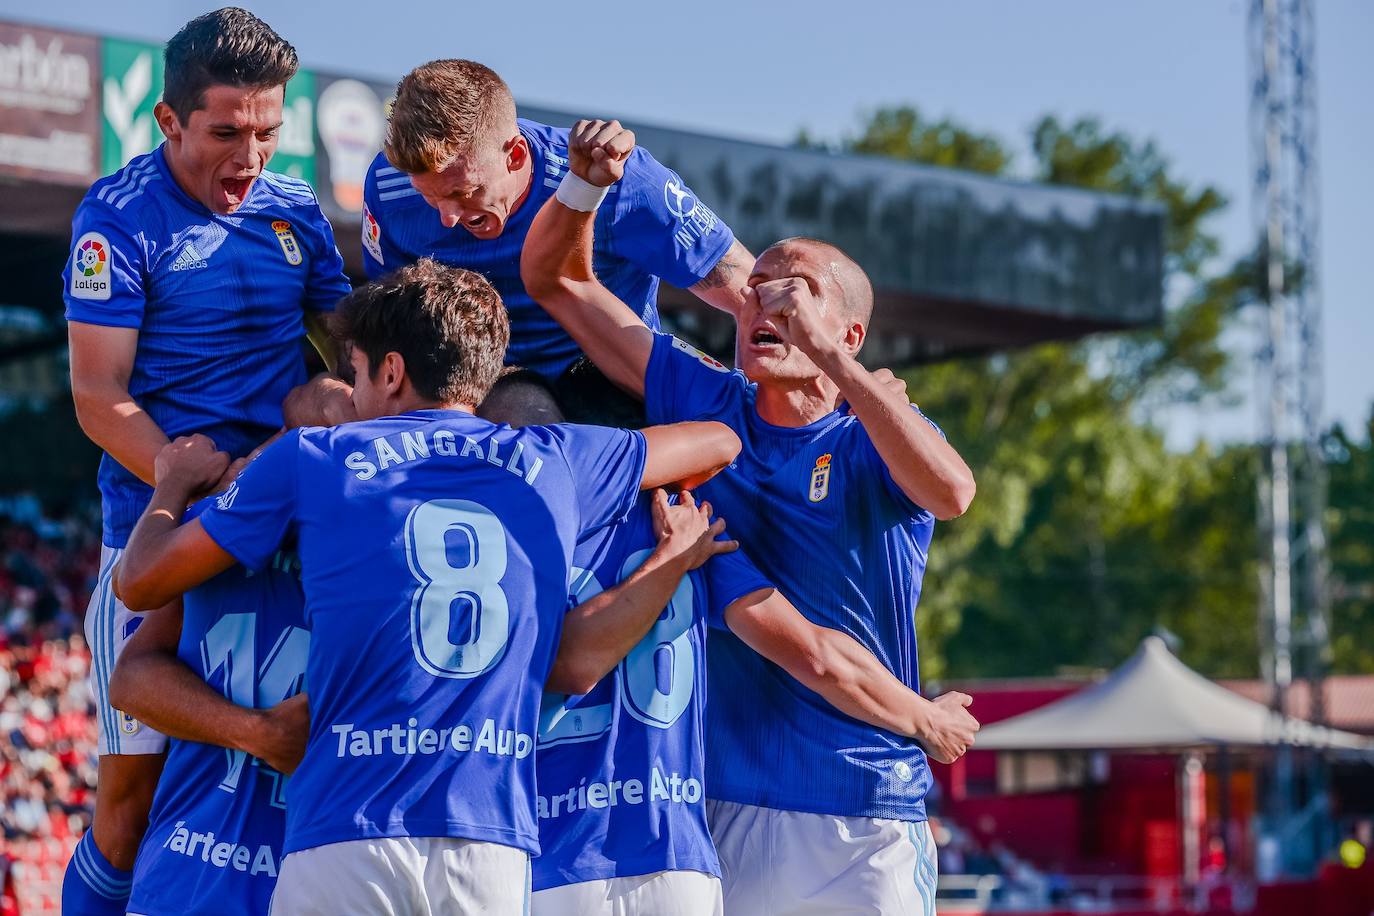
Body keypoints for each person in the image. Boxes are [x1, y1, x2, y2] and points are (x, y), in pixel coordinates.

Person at [110, 259, 741, 914]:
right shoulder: (552, 456)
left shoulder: (318, 457)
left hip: (347, 829)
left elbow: (141, 581)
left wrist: (171, 484)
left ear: (390, 372)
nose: (352, 399)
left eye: (356, 374)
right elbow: (719, 441)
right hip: (489, 844)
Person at [521, 121, 981, 915]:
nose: (766, 299)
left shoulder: (871, 433)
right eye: (757, 285)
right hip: (725, 804)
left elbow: (953, 493)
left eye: (795, 289)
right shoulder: (704, 398)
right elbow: (557, 282)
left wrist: (832, 360)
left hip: (864, 805)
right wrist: (585, 184)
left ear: (850, 332)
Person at [476, 377, 975, 916]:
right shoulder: (692, 530)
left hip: (549, 851)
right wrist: (924, 717)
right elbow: (815, 652)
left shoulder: (492, 543)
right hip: (673, 858)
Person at [60, 9, 350, 914]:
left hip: (280, 543)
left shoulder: (295, 210)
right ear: (169, 120)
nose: (251, 156)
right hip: (157, 537)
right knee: (127, 808)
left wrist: (331, 399)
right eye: (226, 133)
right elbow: (98, 395)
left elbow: (350, 349)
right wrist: (193, 479)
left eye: (268, 132)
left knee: (291, 784)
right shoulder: (117, 218)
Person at [361, 59, 753, 416]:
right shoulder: (389, 186)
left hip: (613, 379)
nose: (447, 218)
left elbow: (752, 294)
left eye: (464, 193)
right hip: (487, 386)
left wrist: (760, 417)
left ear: (515, 156)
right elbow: (381, 327)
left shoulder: (619, 179)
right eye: (429, 197)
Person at [107, 533, 309, 916]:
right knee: (114, 826)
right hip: (184, 876)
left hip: (305, 875)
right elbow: (130, 677)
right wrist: (259, 732)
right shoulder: (220, 526)